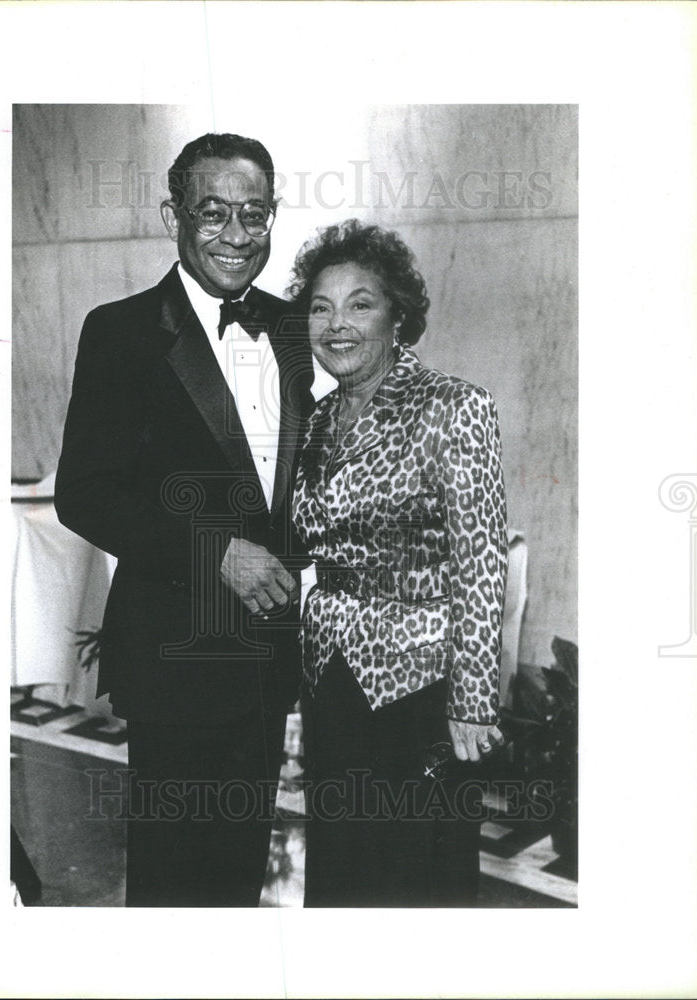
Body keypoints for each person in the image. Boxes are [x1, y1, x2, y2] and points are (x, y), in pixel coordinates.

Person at [55, 133, 314, 907]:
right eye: (214, 214)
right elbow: (86, 492)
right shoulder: (120, 331)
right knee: (172, 888)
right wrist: (216, 554)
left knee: (237, 882)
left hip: (267, 659)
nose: (238, 236)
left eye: (255, 215)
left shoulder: (298, 328)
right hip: (175, 661)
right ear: (173, 215)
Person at [288, 219, 509, 907]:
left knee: (417, 884)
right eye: (321, 307)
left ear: (398, 315)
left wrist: (473, 704)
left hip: (421, 692)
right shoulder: (316, 420)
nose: (337, 324)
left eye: (361, 303)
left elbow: (481, 563)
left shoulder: (454, 407)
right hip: (331, 684)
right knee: (343, 875)